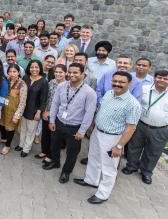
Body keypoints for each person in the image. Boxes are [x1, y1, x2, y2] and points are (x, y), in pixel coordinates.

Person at [73, 71, 141, 204]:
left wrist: (119, 146)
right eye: (115, 81)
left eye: (121, 82)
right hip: (97, 132)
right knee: (93, 158)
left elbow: (131, 128)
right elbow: (100, 111)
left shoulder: (133, 104)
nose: (117, 84)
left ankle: (103, 194)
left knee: (109, 168)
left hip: (112, 139)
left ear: (129, 84)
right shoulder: (109, 93)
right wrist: (92, 125)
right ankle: (91, 180)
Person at [43, 63, 97, 184]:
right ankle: (55, 162)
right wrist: (52, 120)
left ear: (83, 74)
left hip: (75, 127)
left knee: (72, 152)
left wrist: (82, 131)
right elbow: (55, 103)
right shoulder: (62, 86)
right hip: (59, 122)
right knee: (54, 146)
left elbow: (89, 113)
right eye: (70, 72)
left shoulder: (89, 92)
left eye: (75, 72)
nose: (72, 75)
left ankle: (66, 172)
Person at [123, 70, 168, 184]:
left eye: (165, 78)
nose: (162, 80)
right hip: (140, 124)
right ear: (154, 78)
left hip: (160, 129)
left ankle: (146, 172)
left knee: (153, 151)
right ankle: (131, 166)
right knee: (134, 146)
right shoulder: (144, 88)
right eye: (159, 77)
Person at [16, 60, 48, 157]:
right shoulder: (25, 77)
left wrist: (39, 112)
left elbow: (43, 99)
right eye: (32, 67)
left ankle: (26, 149)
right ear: (29, 68)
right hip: (23, 108)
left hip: (34, 110)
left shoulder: (43, 82)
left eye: (36, 67)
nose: (34, 69)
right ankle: (21, 145)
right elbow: (17, 89)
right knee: (23, 129)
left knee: (31, 131)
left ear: (40, 68)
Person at [37, 64, 67, 163]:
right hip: (46, 112)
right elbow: (46, 97)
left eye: (60, 72)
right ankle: (44, 151)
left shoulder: (67, 86)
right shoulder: (51, 82)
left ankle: (51, 155)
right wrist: (44, 111)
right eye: (56, 72)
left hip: (57, 115)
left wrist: (50, 112)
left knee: (54, 137)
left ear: (65, 73)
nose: (58, 74)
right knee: (45, 134)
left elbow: (64, 104)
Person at [0, 64, 27, 155]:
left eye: (14, 72)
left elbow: (23, 102)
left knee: (10, 128)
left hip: (13, 110)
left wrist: (17, 115)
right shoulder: (6, 81)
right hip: (4, 108)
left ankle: (7, 145)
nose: (12, 74)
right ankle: (4, 139)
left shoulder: (22, 84)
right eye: (10, 72)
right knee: (2, 124)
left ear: (18, 72)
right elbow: (3, 94)